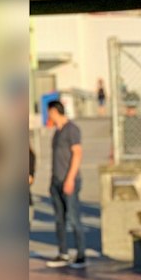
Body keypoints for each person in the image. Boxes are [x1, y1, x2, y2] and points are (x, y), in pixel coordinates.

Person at [45, 100, 86, 269]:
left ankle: (81, 255)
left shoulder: (72, 130)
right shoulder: (57, 132)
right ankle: (63, 253)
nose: (48, 116)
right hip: (56, 181)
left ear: (55, 111)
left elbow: (77, 154)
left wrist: (70, 178)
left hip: (69, 181)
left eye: (50, 112)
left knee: (74, 218)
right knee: (59, 219)